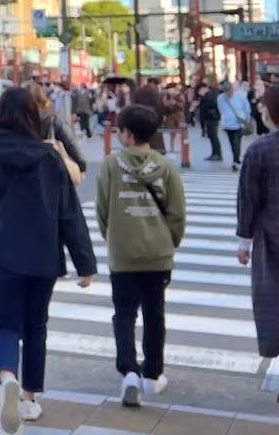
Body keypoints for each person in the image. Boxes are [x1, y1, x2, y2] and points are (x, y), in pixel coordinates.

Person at [0, 88, 96, 433]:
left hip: (2, 247)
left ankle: (7, 374)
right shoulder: (49, 157)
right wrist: (85, 263)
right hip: (43, 252)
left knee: (6, 323)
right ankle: (29, 398)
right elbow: (69, 213)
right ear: (33, 116)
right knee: (36, 327)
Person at [96, 105, 186, 408]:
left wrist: (114, 239)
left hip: (123, 254)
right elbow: (177, 214)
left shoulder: (111, 165)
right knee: (154, 313)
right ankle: (152, 374)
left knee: (124, 314)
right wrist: (168, 242)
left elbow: (102, 211)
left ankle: (129, 372)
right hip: (157, 255)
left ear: (128, 134)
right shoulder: (167, 167)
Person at [237, 83, 279, 405]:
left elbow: (248, 199)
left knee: (274, 309)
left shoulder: (260, 150)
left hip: (273, 241)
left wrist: (244, 241)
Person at [26, 83, 88, 177]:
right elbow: (74, 150)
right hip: (51, 178)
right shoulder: (53, 121)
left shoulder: (13, 124)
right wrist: (81, 167)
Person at [218, 81, 250, 170]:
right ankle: (236, 158)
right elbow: (221, 110)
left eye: (229, 91)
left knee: (237, 142)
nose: (228, 93)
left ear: (232, 89)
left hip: (238, 123)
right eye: (226, 91)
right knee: (232, 142)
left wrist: (247, 118)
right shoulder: (220, 98)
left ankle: (235, 160)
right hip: (228, 124)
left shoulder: (240, 96)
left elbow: (246, 108)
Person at [198, 83, 223, 161]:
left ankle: (217, 154)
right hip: (210, 118)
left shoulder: (209, 95)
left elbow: (208, 105)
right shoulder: (210, 94)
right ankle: (215, 153)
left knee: (213, 136)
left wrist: (202, 98)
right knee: (212, 136)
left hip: (211, 118)